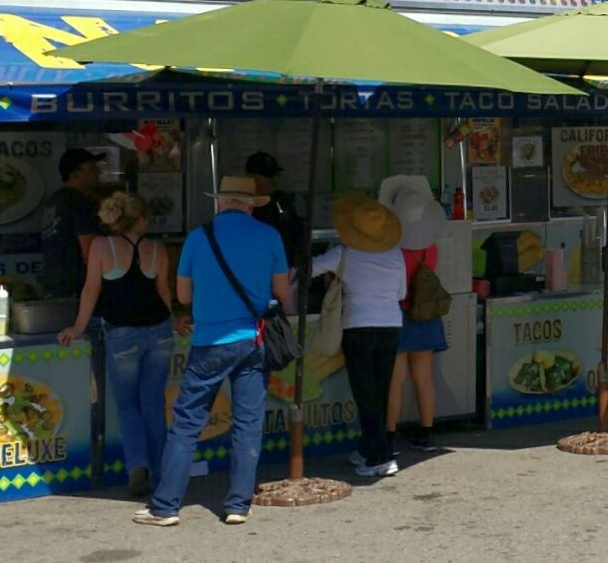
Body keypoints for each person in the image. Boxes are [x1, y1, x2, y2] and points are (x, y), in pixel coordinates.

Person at [135, 176, 290, 527]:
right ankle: (238, 505)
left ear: (219, 202)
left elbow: (184, 297)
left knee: (187, 423)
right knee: (248, 424)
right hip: (254, 340)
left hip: (209, 343)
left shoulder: (198, 237)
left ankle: (165, 507)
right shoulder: (269, 236)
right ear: (251, 205)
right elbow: (282, 292)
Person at [59, 192, 176, 498]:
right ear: (139, 221)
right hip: (160, 330)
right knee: (154, 403)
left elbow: (91, 291)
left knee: (127, 404)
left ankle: (137, 466)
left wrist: (77, 327)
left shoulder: (101, 246)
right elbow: (164, 292)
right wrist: (173, 321)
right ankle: (163, 471)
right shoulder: (157, 249)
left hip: (122, 333)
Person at [311, 193, 405, 478]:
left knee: (365, 394)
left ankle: (380, 457)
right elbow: (402, 293)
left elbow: (307, 269)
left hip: (358, 326)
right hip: (391, 325)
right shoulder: (396, 253)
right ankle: (370, 447)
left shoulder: (344, 253)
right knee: (380, 390)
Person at [379, 174, 449, 455]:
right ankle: (427, 433)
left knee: (394, 380)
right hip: (426, 313)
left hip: (397, 315)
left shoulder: (391, 249)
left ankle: (390, 436)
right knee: (424, 377)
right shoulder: (430, 248)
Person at [41, 148, 106, 300]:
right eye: (91, 169)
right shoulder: (78, 203)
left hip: (56, 285)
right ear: (74, 174)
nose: (98, 172)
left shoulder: (55, 200)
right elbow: (90, 253)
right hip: (78, 288)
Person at [245, 151, 305, 266]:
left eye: (273, 175)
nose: (272, 181)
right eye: (267, 176)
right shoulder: (242, 205)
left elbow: (297, 233)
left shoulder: (281, 200)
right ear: (251, 177)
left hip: (283, 269)